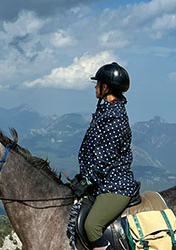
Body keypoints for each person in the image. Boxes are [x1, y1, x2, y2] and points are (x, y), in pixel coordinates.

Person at [78, 62, 137, 250]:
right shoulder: (106, 111)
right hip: (101, 182)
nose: (95, 87)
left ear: (106, 87)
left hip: (115, 186)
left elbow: (104, 159)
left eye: (98, 84)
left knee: (92, 226)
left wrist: (87, 181)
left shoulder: (116, 119)